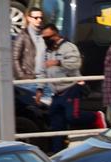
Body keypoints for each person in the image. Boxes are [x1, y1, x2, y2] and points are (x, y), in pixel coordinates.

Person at [43, 23, 82, 151]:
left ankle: (96, 117)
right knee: (56, 125)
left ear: (56, 35)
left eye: (48, 37)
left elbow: (76, 63)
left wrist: (58, 62)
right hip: (56, 92)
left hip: (70, 88)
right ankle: (57, 153)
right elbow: (43, 70)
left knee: (73, 117)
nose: (46, 40)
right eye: (44, 37)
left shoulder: (68, 47)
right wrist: (40, 88)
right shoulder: (48, 51)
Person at [13, 6, 45, 84]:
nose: (39, 20)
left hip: (44, 78)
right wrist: (22, 76)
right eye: (36, 18)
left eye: (41, 18)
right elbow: (14, 58)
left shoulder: (44, 35)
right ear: (29, 18)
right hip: (30, 79)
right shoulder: (23, 36)